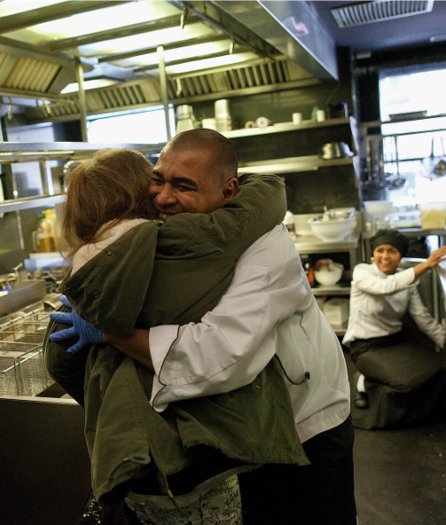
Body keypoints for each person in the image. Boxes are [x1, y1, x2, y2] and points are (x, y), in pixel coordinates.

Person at [50, 129, 357, 525]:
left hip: (306, 421)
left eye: (183, 186)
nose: (162, 196)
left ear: (228, 191)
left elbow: (220, 356)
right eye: (158, 179)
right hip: (244, 427)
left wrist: (110, 332)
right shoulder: (175, 233)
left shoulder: (266, 248)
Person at [342, 229, 446, 430]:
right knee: (405, 383)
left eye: (391, 251)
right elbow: (385, 287)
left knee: (438, 371)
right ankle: (366, 383)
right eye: (380, 250)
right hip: (365, 347)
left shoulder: (407, 280)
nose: (385, 256)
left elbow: (423, 319)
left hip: (395, 343)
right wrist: (425, 265)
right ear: (373, 254)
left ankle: (370, 380)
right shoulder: (362, 272)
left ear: (400, 255)